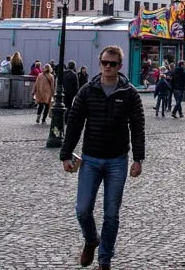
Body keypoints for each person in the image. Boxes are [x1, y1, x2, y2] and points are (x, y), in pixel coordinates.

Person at [60, 45, 145, 270]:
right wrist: (66, 154)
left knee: (111, 214)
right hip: (91, 159)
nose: (108, 67)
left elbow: (138, 127)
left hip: (117, 160)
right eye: (104, 63)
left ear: (119, 66)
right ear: (100, 64)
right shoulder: (87, 91)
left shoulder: (129, 93)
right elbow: (75, 123)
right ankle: (91, 240)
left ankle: (104, 260)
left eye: (112, 64)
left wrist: (138, 159)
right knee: (82, 210)